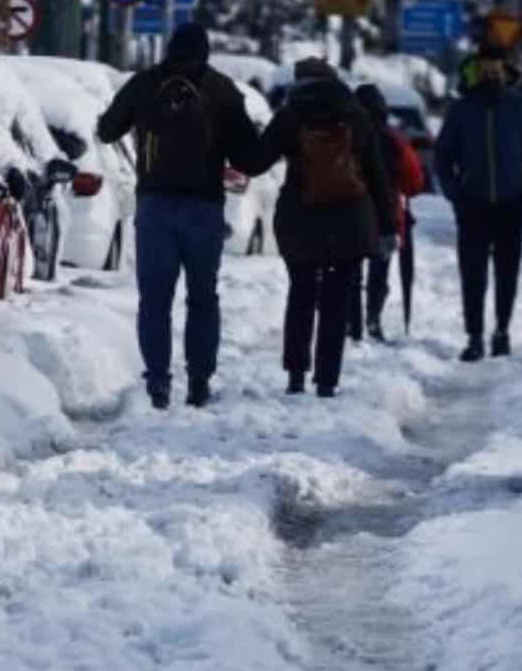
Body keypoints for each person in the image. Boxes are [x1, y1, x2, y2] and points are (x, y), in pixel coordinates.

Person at [97, 21, 262, 410]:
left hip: (154, 208)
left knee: (155, 299)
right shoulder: (221, 90)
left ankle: (158, 382)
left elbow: (107, 130)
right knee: (203, 298)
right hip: (204, 209)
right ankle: (199, 381)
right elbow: (246, 155)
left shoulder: (144, 83)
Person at [235, 59, 394, 398]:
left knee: (302, 294)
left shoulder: (291, 115)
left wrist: (238, 133)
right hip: (349, 219)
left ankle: (295, 374)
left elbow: (254, 162)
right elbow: (379, 177)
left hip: (301, 218)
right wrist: (387, 227)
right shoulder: (357, 115)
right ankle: (326, 380)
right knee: (336, 300)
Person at [434, 46, 522, 361]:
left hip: (511, 205)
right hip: (472, 205)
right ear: (475, 71)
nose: (491, 75)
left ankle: (502, 331)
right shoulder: (462, 109)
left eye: (496, 69)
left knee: (507, 272)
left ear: (506, 72)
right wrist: (454, 193)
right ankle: (474, 337)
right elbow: (443, 156)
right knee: (472, 274)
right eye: (485, 69)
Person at [348, 83, 426, 342]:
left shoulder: (344, 135)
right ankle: (372, 319)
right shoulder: (394, 139)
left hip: (349, 213)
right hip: (386, 215)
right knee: (378, 273)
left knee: (349, 270)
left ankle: (352, 322)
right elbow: (414, 181)